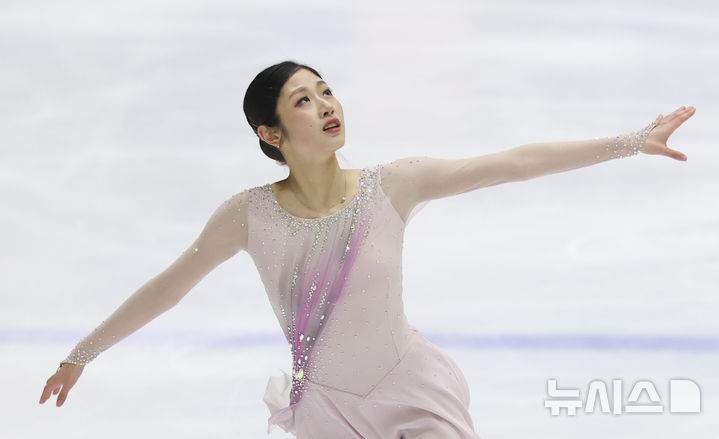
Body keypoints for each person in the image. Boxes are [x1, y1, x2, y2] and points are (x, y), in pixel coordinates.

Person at [39, 60, 694, 438]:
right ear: (270, 132)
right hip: (326, 408)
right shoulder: (248, 215)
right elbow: (167, 286)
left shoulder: (393, 184)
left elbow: (512, 161)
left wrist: (628, 141)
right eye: (303, 100)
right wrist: (81, 353)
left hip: (411, 390)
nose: (325, 104)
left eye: (325, 89)